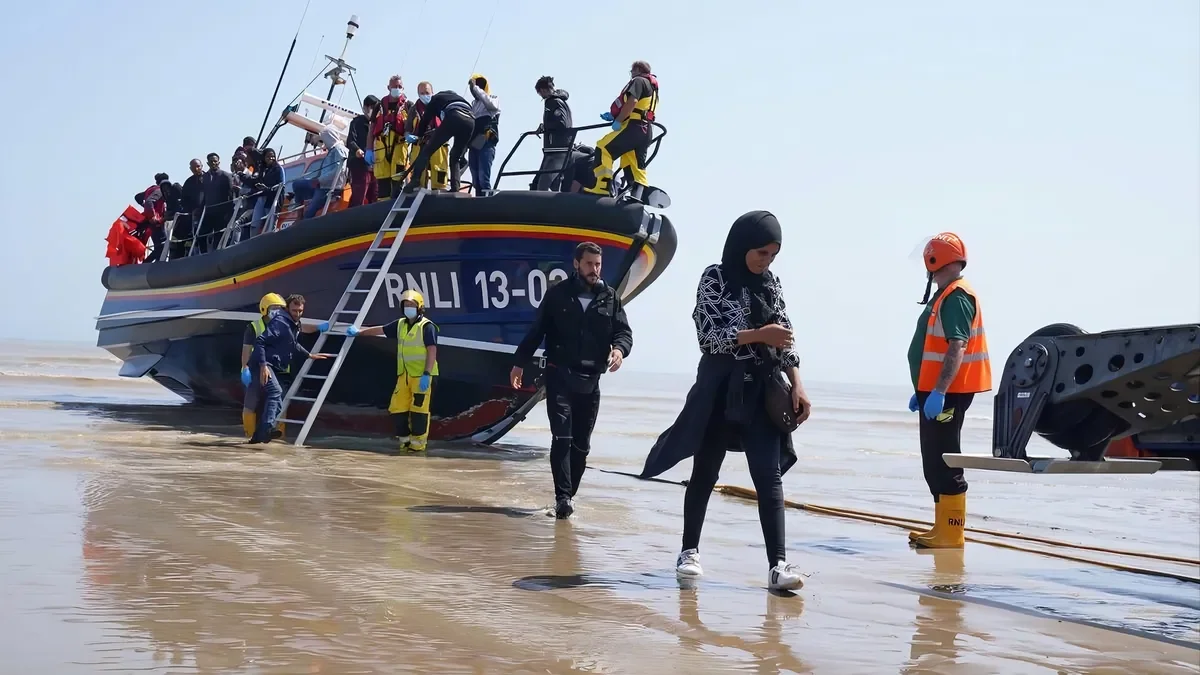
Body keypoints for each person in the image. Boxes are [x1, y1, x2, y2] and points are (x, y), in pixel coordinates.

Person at [640, 211, 811, 592]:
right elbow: (708, 337)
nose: (766, 261)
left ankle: (778, 565)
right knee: (706, 470)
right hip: (719, 388)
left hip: (763, 388)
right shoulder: (714, 278)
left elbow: (785, 337)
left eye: (773, 255)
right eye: (761, 252)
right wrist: (757, 335)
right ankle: (689, 552)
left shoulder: (772, 283)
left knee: (769, 477)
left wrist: (797, 383)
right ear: (742, 245)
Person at [510, 242, 633, 519]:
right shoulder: (558, 295)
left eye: (598, 264)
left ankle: (568, 496)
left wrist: (619, 350)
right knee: (562, 438)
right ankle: (562, 498)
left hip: (591, 382)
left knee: (581, 446)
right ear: (576, 264)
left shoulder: (610, 298)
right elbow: (537, 331)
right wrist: (519, 363)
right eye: (589, 264)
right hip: (560, 377)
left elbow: (624, 332)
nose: (594, 269)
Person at [905, 232, 992, 549]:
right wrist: (923, 388)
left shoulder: (956, 296)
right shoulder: (946, 295)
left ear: (933, 260)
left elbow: (957, 346)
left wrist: (939, 391)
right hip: (934, 392)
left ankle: (952, 533)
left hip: (948, 394)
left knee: (944, 459)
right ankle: (942, 526)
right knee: (934, 459)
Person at [344, 290, 439, 452]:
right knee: (397, 409)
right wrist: (359, 333)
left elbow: (432, 350)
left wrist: (426, 374)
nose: (408, 308)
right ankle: (405, 443)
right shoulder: (400, 324)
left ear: (419, 307)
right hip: (404, 375)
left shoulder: (427, 326)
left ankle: (417, 448)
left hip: (421, 376)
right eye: (406, 305)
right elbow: (381, 330)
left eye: (411, 305)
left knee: (419, 412)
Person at [240, 293, 327, 438]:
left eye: (279, 308)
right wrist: (245, 368)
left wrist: (319, 327)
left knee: (281, 401)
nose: (277, 311)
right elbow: (247, 350)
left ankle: (278, 435)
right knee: (251, 402)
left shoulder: (286, 323)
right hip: (259, 369)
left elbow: (301, 330)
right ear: (264, 309)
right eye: (273, 308)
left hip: (280, 370)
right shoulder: (254, 327)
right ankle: (249, 435)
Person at [584, 61, 658, 201]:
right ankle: (637, 196)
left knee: (603, 147)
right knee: (633, 163)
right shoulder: (652, 88)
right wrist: (615, 116)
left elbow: (632, 102)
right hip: (646, 130)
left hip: (633, 127)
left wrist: (618, 120)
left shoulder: (639, 81)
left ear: (637, 69)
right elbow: (642, 107)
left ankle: (603, 187)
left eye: (632, 71)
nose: (631, 74)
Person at [404, 89, 475, 194]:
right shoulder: (459, 99)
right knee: (455, 157)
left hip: (454, 116)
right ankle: (455, 188)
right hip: (471, 121)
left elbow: (424, 120)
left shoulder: (435, 99)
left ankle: (415, 180)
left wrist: (419, 136)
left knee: (426, 151)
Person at [369, 76, 411, 201]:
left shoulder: (408, 105)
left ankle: (396, 204)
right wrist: (368, 149)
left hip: (399, 147)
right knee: (382, 184)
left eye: (399, 86)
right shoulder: (379, 106)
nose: (397, 89)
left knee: (398, 181)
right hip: (381, 147)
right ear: (388, 87)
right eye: (394, 86)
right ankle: (383, 208)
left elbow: (415, 126)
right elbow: (371, 129)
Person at [532, 76, 574, 191]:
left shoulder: (553, 102)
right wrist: (544, 125)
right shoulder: (560, 101)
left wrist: (546, 127)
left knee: (542, 186)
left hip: (557, 149)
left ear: (543, 90)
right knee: (553, 185)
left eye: (540, 93)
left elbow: (562, 123)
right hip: (558, 148)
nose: (541, 96)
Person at [407, 82, 450, 191]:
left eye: (427, 92)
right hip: (420, 145)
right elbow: (407, 129)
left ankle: (439, 194)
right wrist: (408, 136)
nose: (425, 95)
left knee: (439, 175)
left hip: (438, 145)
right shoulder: (413, 109)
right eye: (422, 93)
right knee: (418, 177)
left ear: (432, 92)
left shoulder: (442, 107)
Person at [301, 127, 349, 219]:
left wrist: (320, 180)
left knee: (311, 210)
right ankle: (299, 211)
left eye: (324, 139)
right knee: (298, 184)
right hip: (323, 184)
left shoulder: (339, 150)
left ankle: (304, 222)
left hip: (329, 187)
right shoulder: (332, 150)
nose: (324, 143)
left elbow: (339, 170)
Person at [466, 73, 501, 194]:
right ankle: (478, 201)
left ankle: (487, 201)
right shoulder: (473, 105)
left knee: (483, 179)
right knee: (475, 180)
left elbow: (491, 105)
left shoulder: (493, 99)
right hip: (474, 144)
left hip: (486, 142)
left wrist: (476, 88)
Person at [197, 153, 236, 254]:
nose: (214, 163)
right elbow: (204, 195)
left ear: (219, 162)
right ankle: (204, 255)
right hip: (209, 212)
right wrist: (200, 210)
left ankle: (218, 255)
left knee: (218, 237)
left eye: (215, 161)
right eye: (211, 161)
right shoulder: (205, 177)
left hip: (221, 213)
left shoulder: (226, 176)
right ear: (208, 163)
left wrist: (229, 213)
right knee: (200, 235)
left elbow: (230, 196)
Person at [346, 95, 379, 206]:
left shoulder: (378, 123)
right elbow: (350, 141)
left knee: (375, 195)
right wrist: (357, 150)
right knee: (359, 195)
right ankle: (352, 215)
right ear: (365, 107)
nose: (374, 111)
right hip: (360, 164)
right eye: (372, 108)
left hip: (375, 165)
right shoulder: (357, 122)